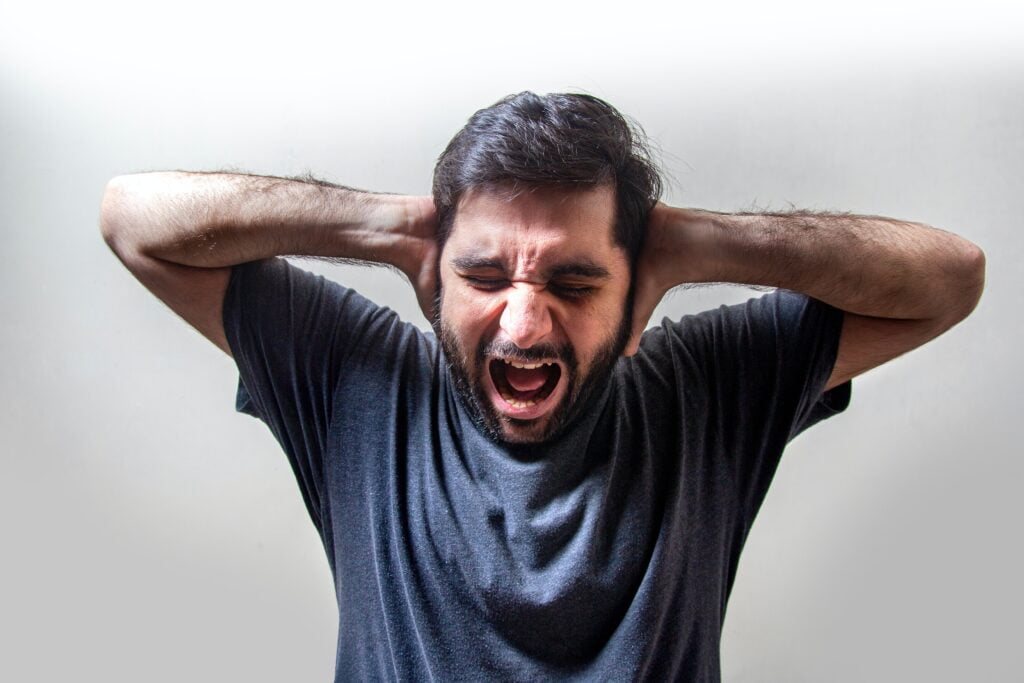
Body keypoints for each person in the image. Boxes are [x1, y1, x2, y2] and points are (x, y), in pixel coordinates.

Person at [99, 92, 985, 681]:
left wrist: (700, 241)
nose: (523, 325)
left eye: (573, 283)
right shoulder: (357, 381)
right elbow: (134, 221)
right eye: (484, 276)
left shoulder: (706, 389)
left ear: (635, 286)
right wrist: (394, 226)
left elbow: (952, 279)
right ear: (434, 276)